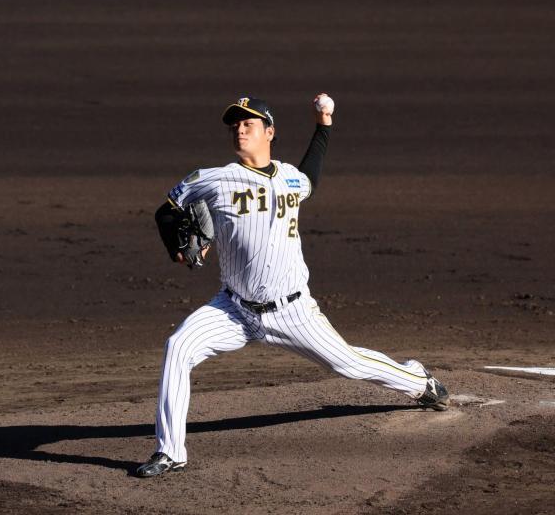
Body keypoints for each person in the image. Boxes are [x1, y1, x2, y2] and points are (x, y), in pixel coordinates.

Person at [136, 95, 450, 478]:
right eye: (235, 124)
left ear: (269, 132)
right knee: (178, 346)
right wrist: (177, 248)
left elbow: (312, 177)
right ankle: (170, 452)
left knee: (347, 362)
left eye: (248, 123)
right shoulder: (212, 178)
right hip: (233, 309)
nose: (239, 129)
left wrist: (324, 123)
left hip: (292, 311)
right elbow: (166, 210)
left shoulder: (289, 177)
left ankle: (418, 381)